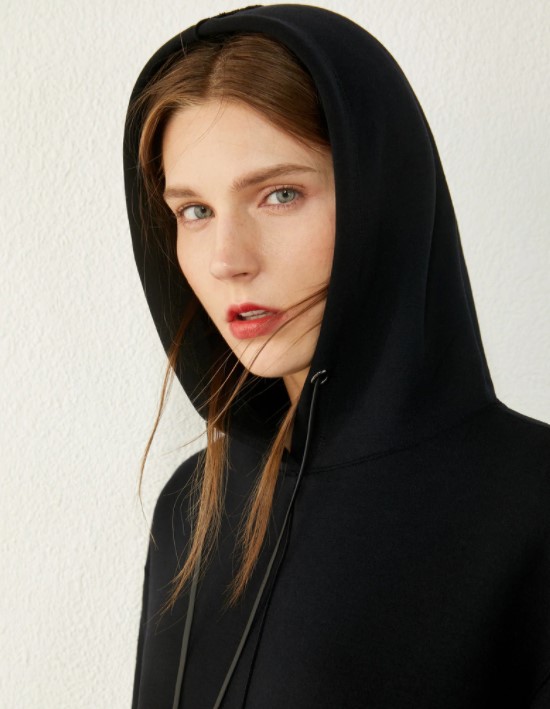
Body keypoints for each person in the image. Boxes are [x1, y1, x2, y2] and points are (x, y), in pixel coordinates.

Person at [123, 5, 550, 708]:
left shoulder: (530, 503)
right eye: (194, 210)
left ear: (382, 198)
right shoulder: (194, 503)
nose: (228, 259)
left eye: (279, 194)